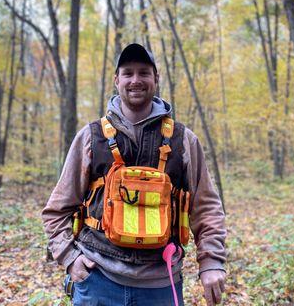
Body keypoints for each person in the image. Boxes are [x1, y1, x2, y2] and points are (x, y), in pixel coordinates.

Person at [42, 43, 227, 305]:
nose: (135, 80)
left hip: (161, 283)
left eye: (144, 72)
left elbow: (206, 208)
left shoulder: (183, 140)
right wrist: (70, 259)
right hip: (97, 281)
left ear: (156, 79)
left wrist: (211, 262)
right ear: (117, 80)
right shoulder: (90, 137)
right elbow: (56, 210)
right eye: (128, 73)